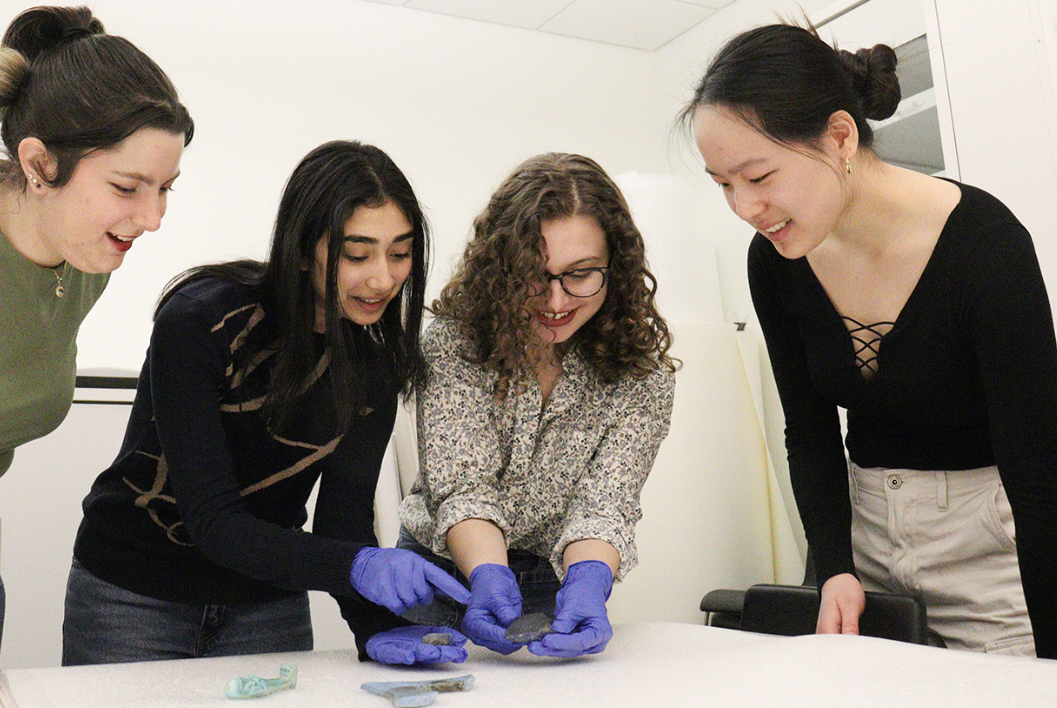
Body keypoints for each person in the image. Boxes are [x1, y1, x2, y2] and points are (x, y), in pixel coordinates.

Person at [681, 23, 1057, 658]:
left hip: (991, 547)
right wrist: (832, 565)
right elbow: (809, 427)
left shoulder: (986, 245)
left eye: (758, 175)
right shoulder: (775, 260)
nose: (744, 207)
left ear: (840, 136)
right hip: (861, 533)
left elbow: (1039, 465)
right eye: (723, 184)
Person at [63, 140, 470, 668]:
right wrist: (360, 567)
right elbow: (214, 520)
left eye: (399, 253)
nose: (383, 278)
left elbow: (342, 524)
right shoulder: (203, 320)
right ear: (304, 248)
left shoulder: (373, 368)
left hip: (266, 606)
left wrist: (374, 627)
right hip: (135, 596)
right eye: (356, 254)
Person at [0, 5, 192, 677]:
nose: (152, 218)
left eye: (167, 189)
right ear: (38, 163)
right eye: (127, 187)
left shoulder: (84, 259)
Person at [397, 153, 677, 659]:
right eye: (533, 275)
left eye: (580, 274)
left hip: (558, 581)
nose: (555, 300)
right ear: (499, 271)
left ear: (617, 267)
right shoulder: (455, 342)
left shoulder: (643, 373)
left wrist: (591, 578)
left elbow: (605, 503)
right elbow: (464, 487)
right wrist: (485, 571)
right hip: (445, 575)